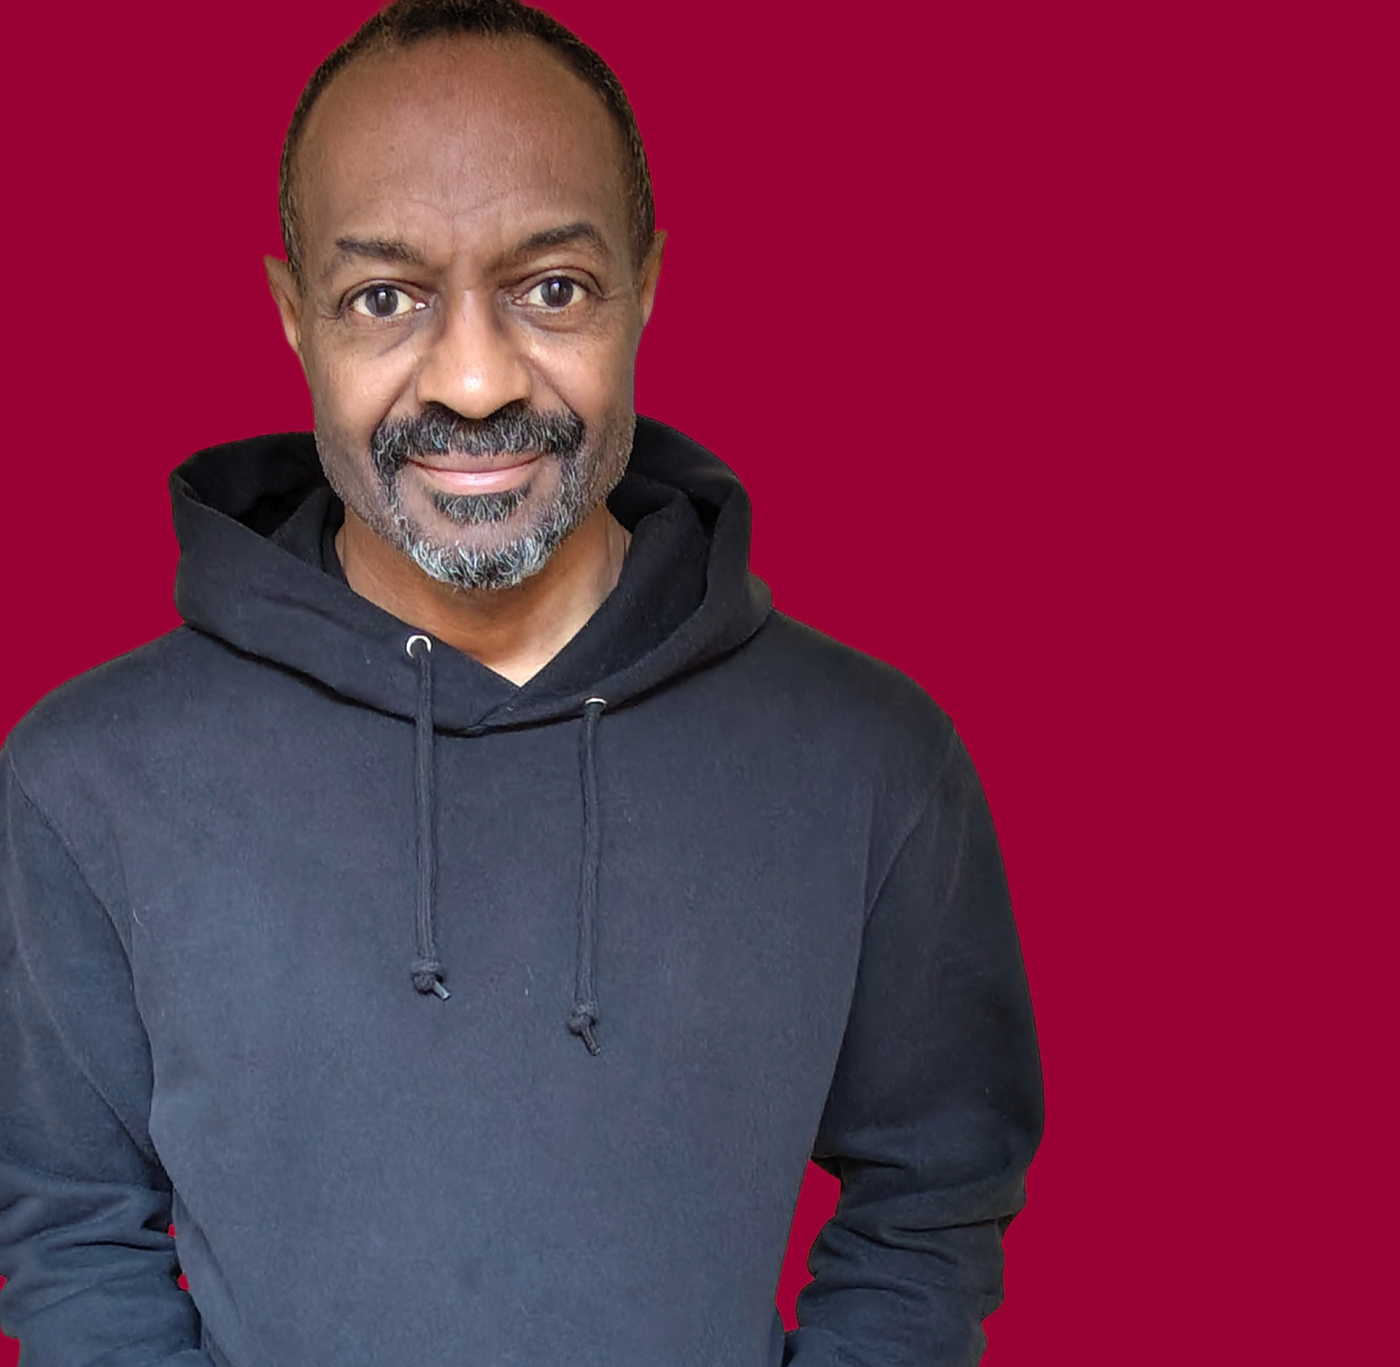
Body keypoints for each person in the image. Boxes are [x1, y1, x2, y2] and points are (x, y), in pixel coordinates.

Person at [0, 1, 1044, 1363]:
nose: (478, 379)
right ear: (294, 317)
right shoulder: (86, 778)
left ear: (645, 287)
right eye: (385, 297)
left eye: (552, 287)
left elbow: (934, 1193)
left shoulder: (873, 759)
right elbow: (71, 1229)